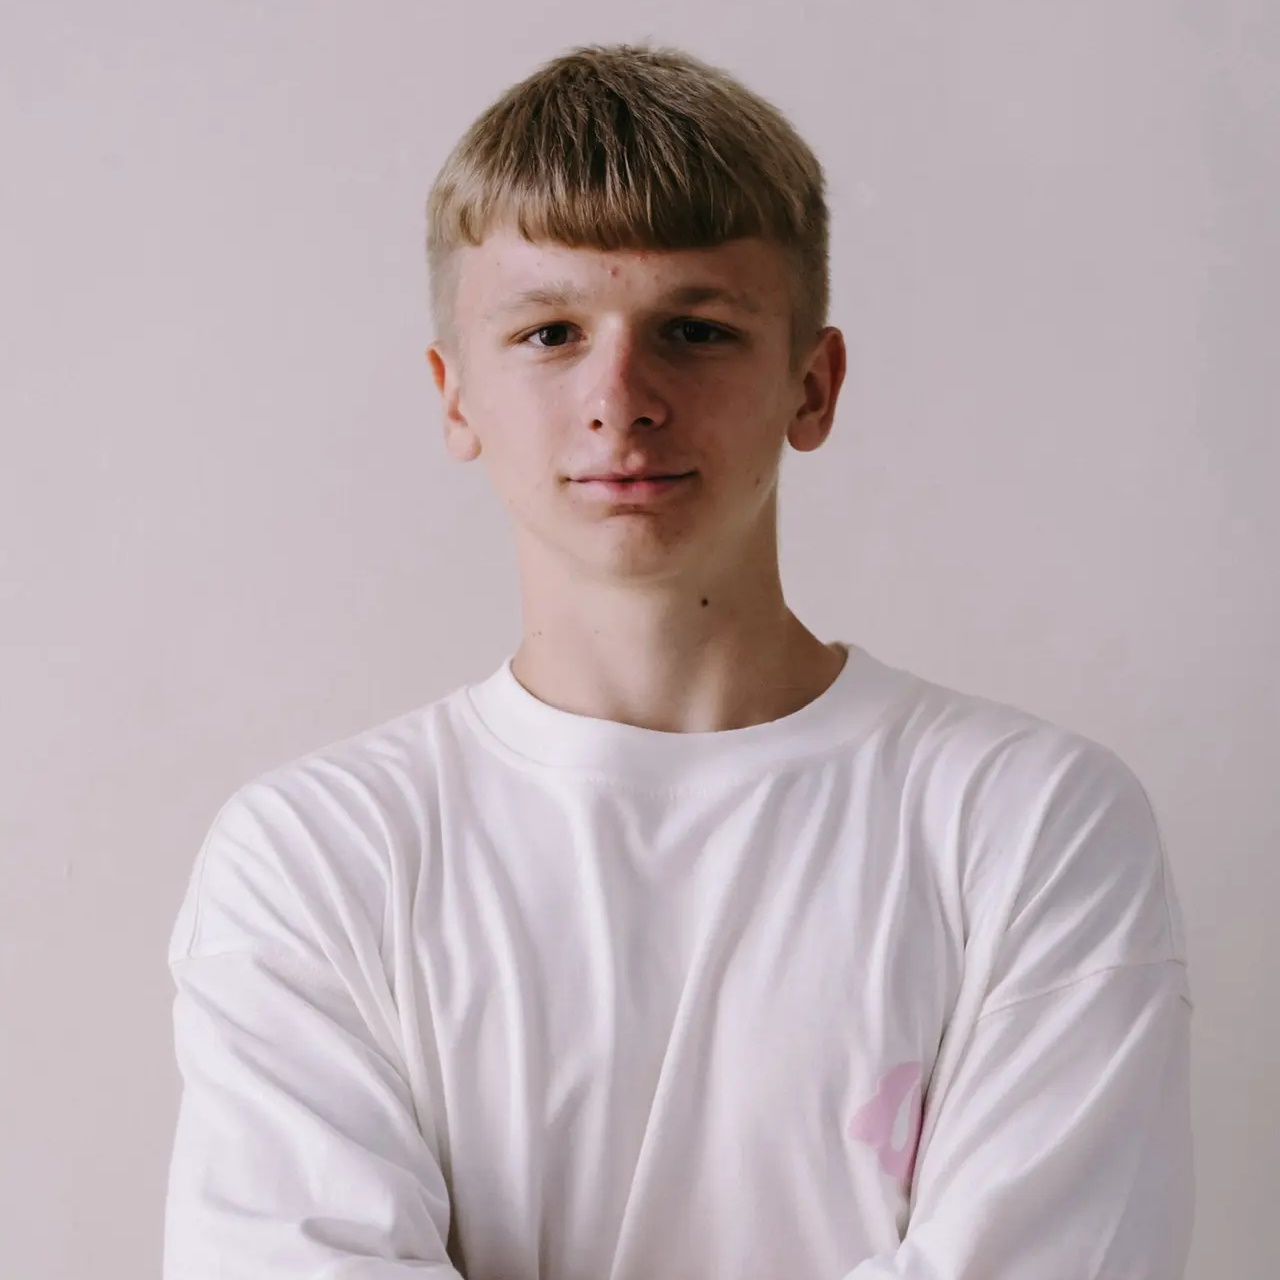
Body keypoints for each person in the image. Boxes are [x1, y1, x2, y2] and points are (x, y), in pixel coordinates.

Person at [163, 40, 1195, 1280]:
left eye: (695, 330)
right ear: (454, 395)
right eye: (549, 331)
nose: (621, 396)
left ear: (810, 386)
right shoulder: (317, 857)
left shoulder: (1031, 824)